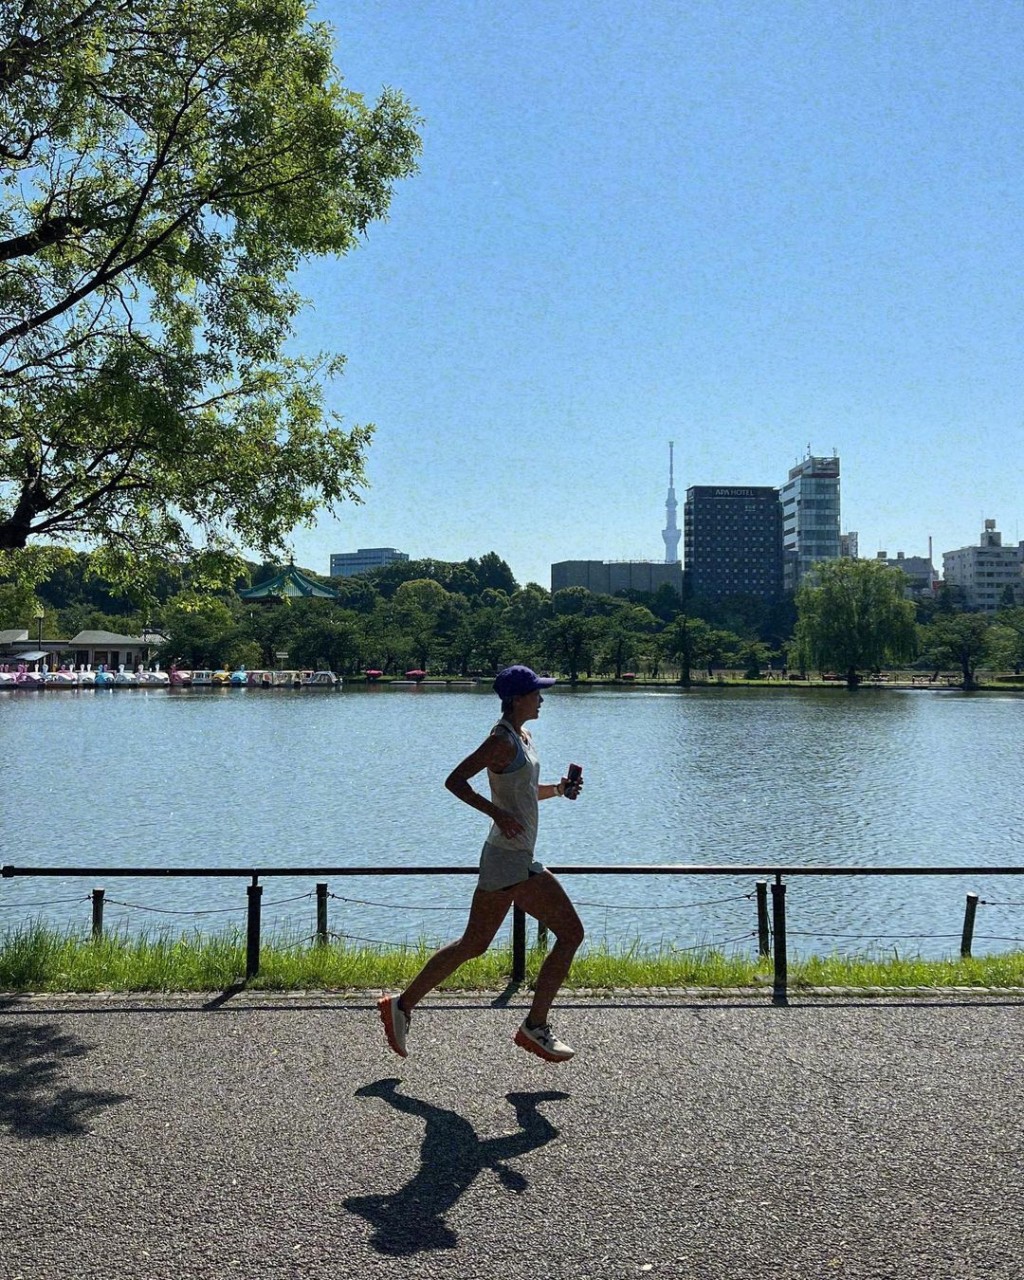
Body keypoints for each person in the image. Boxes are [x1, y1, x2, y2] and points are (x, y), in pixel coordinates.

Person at [378, 664, 585, 1063]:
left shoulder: (523, 737)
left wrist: (559, 790)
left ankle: (401, 1006)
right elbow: (454, 780)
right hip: (509, 860)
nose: (542, 698)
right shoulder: (500, 742)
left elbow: (521, 795)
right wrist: (496, 814)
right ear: (518, 698)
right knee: (571, 933)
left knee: (473, 944)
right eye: (537, 692)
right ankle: (535, 1026)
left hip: (510, 856)